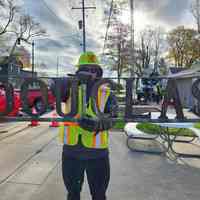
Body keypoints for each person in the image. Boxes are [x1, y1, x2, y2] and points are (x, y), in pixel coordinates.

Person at [59, 51, 116, 200]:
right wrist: (67, 82)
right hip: (71, 153)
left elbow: (114, 117)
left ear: (99, 72)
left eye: (93, 70)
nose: (90, 73)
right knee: (72, 195)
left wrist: (99, 124)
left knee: (99, 195)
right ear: (78, 71)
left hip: (97, 155)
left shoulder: (106, 92)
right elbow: (55, 89)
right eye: (85, 69)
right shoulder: (69, 89)